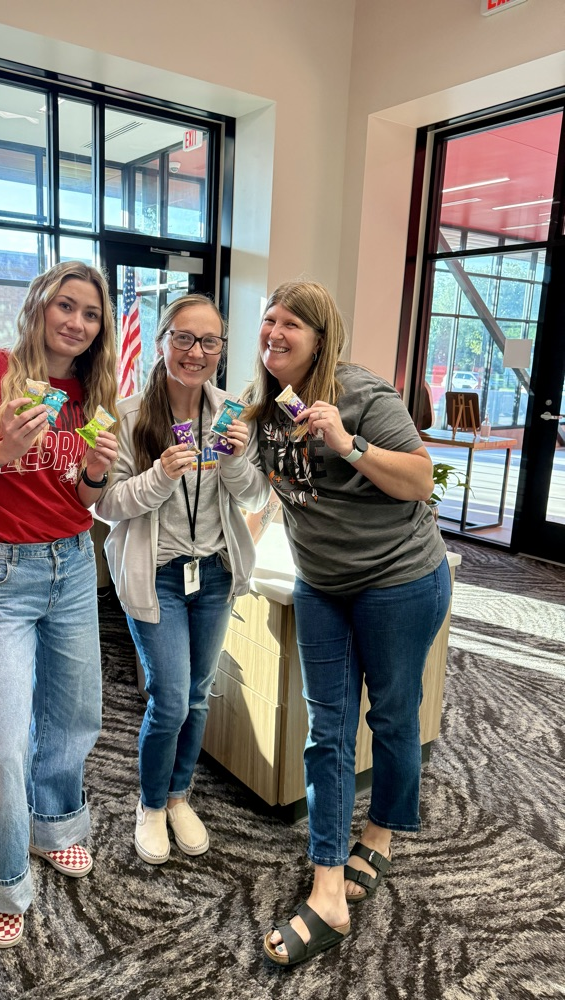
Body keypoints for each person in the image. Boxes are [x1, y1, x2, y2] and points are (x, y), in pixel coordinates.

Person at [244, 280, 451, 967]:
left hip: (400, 581)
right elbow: (283, 497)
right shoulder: (267, 411)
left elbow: (421, 479)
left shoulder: (362, 395)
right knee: (325, 727)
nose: (274, 332)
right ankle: (328, 884)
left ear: (321, 335)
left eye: (290, 323)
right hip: (323, 587)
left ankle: (384, 832)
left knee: (392, 716)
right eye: (268, 320)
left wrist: (349, 442)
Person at [0, 261, 119, 949]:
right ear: (39, 306)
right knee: (4, 746)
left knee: (74, 717)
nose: (76, 322)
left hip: (71, 565)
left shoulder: (91, 391)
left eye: (90, 314)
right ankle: (4, 878)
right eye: (64, 306)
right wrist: (3, 448)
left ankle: (56, 825)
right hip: (1, 574)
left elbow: (88, 498)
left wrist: (97, 468)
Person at [95, 294, 270, 865]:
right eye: (184, 338)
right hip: (159, 575)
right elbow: (104, 505)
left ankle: (178, 796)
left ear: (222, 350)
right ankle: (149, 804)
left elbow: (255, 497)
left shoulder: (230, 414)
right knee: (169, 699)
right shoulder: (126, 415)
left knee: (197, 696)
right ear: (163, 340)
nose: (196, 352)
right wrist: (157, 477)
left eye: (210, 342)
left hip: (213, 574)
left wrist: (241, 463)